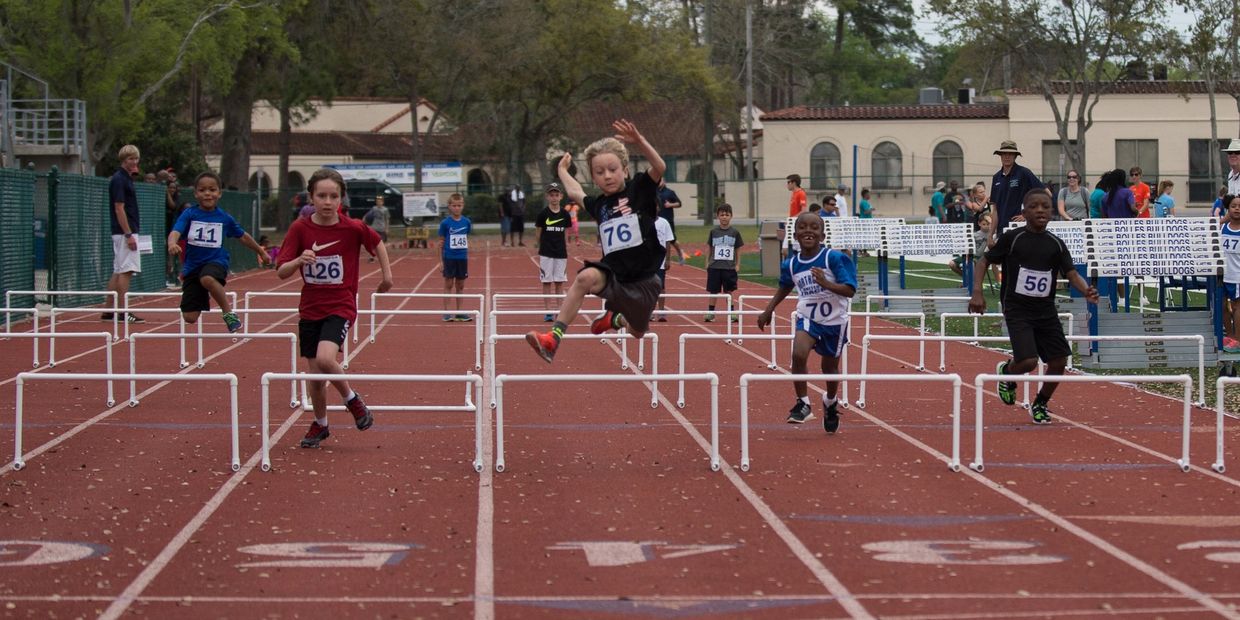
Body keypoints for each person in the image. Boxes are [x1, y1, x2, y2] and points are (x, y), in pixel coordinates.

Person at [525, 119, 666, 363]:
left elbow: (659, 166)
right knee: (584, 277)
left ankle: (615, 320)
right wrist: (561, 171)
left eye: (612, 169)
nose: (607, 176)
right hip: (615, 276)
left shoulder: (639, 190)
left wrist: (640, 141)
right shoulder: (600, 205)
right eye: (599, 173)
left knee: (638, 332)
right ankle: (553, 338)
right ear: (593, 177)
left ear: (625, 169)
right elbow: (575, 192)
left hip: (644, 281)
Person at [275, 168, 392, 449]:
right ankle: (321, 424)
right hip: (310, 308)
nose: (328, 202)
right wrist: (298, 261)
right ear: (311, 198)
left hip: (340, 304)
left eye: (334, 196)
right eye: (322, 196)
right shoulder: (300, 228)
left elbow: (378, 243)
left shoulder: (351, 227)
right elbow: (281, 271)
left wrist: (387, 277)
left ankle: (353, 401)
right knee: (315, 378)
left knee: (327, 359)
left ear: (341, 199)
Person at [968, 189, 1100, 424]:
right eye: (1034, 206)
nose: (1040, 210)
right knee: (1028, 361)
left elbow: (1070, 273)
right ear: (1024, 212)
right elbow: (983, 261)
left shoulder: (1056, 244)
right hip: (1017, 308)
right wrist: (977, 292)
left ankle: (1040, 403)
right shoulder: (1013, 238)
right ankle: (1007, 373)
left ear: (1051, 212)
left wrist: (1086, 290)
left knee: (1059, 361)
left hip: (1045, 310)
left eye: (1045, 207)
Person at [756, 211, 856, 432]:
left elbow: (850, 290)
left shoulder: (834, 258)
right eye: (802, 227)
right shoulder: (791, 265)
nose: (808, 231)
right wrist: (769, 309)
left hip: (834, 321)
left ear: (822, 235)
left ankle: (830, 402)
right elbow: (785, 286)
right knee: (798, 354)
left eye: (814, 227)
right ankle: (803, 403)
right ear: (795, 234)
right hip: (808, 317)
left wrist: (826, 283)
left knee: (829, 368)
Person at [167, 171, 270, 332]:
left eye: (212, 189)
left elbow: (243, 237)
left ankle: (228, 313)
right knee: (190, 317)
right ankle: (206, 291)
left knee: (207, 278)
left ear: (219, 193)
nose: (207, 193)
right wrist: (172, 243)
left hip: (216, 262)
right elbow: (175, 231)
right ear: (195, 194)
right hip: (193, 266)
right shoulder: (190, 214)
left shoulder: (224, 218)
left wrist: (261, 252)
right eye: (202, 190)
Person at [103, 144, 145, 324]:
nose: (134, 162)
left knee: (118, 270)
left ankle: (108, 310)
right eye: (130, 159)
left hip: (123, 231)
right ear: (123, 160)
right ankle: (122, 311)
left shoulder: (126, 178)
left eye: (135, 158)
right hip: (125, 232)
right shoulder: (119, 179)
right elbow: (119, 208)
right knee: (126, 271)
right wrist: (128, 235)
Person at [990, 140, 1043, 236]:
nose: (1007, 156)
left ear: (1015, 156)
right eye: (1004, 154)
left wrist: (1027, 214)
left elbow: (1045, 194)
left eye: (1010, 154)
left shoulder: (1024, 173)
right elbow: (995, 210)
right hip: (1001, 231)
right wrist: (990, 235)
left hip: (1021, 229)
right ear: (1000, 156)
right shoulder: (996, 177)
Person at [535, 182, 571, 321]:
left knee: (559, 281)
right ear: (547, 197)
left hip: (561, 252)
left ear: (561, 196)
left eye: (557, 195)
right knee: (546, 281)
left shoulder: (565, 214)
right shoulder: (543, 214)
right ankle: (548, 311)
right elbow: (538, 232)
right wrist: (541, 246)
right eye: (552, 195)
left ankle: (559, 310)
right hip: (546, 252)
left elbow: (566, 233)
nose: (554, 198)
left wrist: (564, 246)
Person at [704, 203, 744, 322]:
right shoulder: (714, 232)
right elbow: (710, 248)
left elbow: (738, 249)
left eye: (727, 215)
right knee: (713, 290)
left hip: (729, 267)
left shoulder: (735, 232)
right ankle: (711, 313)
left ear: (731, 216)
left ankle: (731, 313)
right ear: (718, 216)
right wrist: (707, 262)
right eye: (722, 215)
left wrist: (737, 264)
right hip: (715, 266)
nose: (724, 217)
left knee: (729, 291)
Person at [438, 193, 473, 321]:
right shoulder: (445, 223)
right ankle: (447, 312)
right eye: (454, 205)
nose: (457, 208)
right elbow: (440, 243)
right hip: (449, 257)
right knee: (448, 284)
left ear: (463, 206)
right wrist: (440, 261)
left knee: (460, 285)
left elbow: (466, 237)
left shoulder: (466, 222)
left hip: (462, 258)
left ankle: (459, 312)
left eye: (459, 205)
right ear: (449, 206)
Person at [1220, 194, 1240, 352]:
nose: (1237, 209)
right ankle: (1230, 335)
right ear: (1228, 209)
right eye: (1233, 206)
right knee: (1222, 306)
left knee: (1237, 306)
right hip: (1222, 275)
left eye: (1239, 206)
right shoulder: (1222, 228)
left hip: (1237, 276)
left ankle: (1238, 339)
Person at [653, 215, 677, 321]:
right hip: (646, 262)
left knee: (661, 287)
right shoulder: (643, 220)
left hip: (660, 261)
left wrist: (667, 259)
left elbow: (668, 242)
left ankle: (661, 311)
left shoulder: (664, 222)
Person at [362, 195, 390, 262]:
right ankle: (372, 256)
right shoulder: (374, 208)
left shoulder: (385, 210)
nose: (379, 202)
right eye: (377, 201)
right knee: (372, 243)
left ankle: (382, 257)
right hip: (374, 227)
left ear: (382, 202)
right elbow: (367, 215)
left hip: (382, 228)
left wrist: (387, 228)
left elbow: (387, 219)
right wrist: (364, 220)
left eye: (380, 201)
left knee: (381, 243)